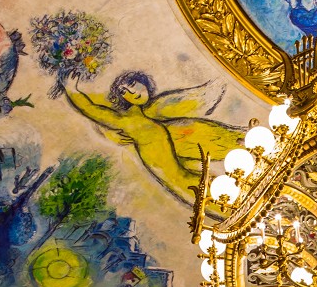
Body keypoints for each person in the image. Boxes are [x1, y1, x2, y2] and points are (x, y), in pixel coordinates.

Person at [63, 71, 240, 205]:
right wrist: (71, 90)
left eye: (133, 84)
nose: (132, 92)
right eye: (124, 91)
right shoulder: (126, 121)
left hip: (187, 176)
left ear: (144, 82)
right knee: (222, 200)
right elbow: (93, 110)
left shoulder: (149, 115)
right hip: (181, 181)